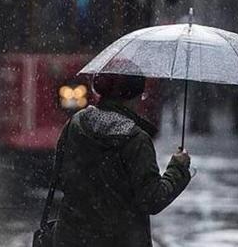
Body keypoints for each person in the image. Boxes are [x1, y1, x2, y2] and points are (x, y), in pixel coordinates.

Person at [52, 73, 191, 247]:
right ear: (138, 95)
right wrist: (178, 168)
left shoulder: (76, 123)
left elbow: (58, 176)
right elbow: (152, 199)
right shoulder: (136, 139)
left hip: (71, 238)